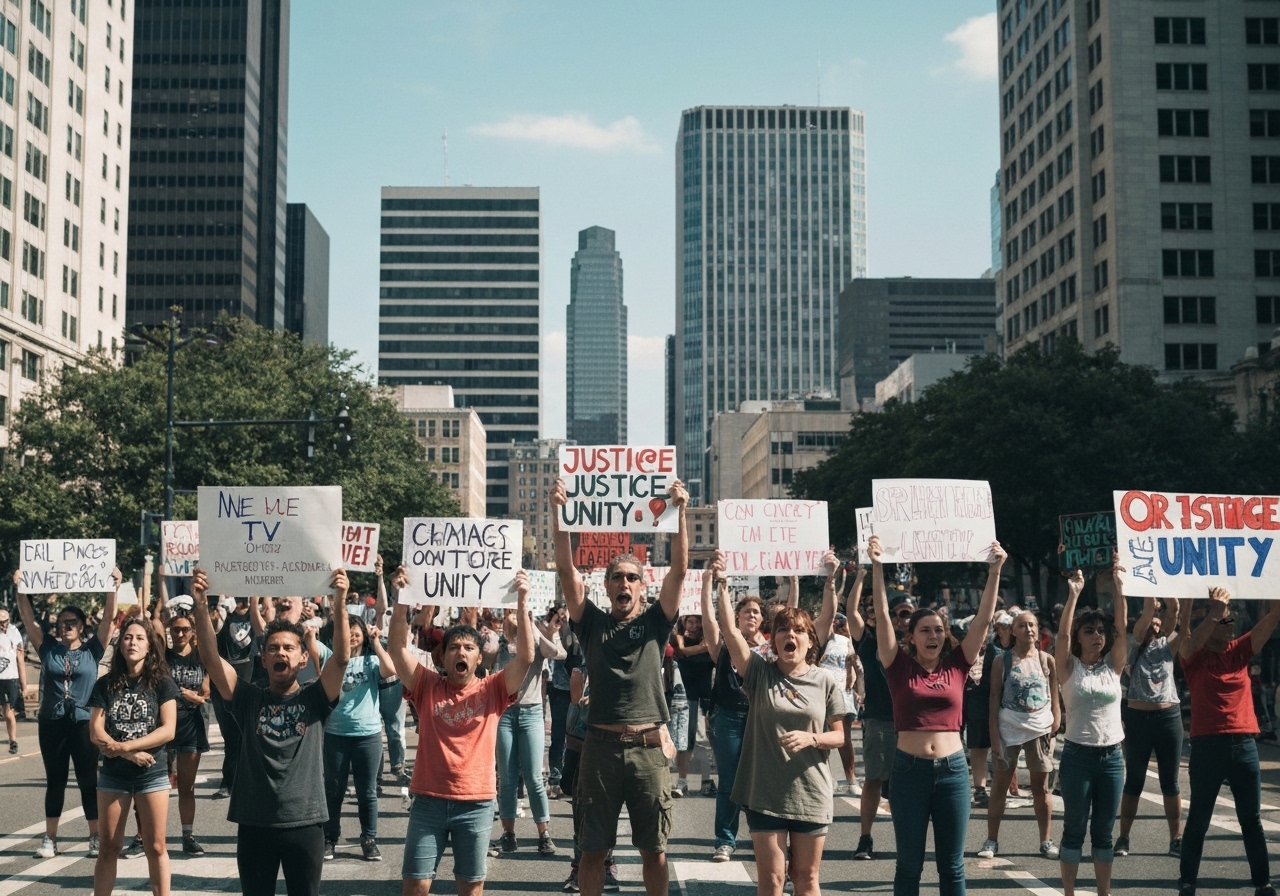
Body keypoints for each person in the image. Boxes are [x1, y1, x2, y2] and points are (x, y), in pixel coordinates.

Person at [552, 475, 689, 896]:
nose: (624, 584)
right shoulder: (591, 622)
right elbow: (565, 569)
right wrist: (559, 514)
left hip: (649, 752)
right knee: (592, 851)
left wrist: (680, 512)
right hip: (600, 750)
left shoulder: (655, 622)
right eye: (617, 578)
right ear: (606, 586)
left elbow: (680, 570)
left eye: (632, 577)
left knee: (655, 852)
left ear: (642, 585)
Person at [191, 569, 351, 896]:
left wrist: (340, 603)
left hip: (305, 824)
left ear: (304, 657)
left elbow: (342, 658)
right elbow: (210, 658)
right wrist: (199, 603)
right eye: (274, 648)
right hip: (255, 824)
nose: (281, 653)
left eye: (289, 648)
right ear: (263, 660)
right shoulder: (248, 698)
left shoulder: (315, 697)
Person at [870, 534, 1004, 896]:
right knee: (909, 866)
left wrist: (995, 571)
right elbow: (882, 615)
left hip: (953, 773)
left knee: (952, 866)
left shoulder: (958, 665)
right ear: (910, 637)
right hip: (908, 772)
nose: (933, 635)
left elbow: (983, 619)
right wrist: (878, 566)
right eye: (924, 630)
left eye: (939, 631)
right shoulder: (896, 665)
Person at [387, 567, 534, 896]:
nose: (461, 652)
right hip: (428, 801)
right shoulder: (427, 685)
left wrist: (522, 602)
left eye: (469, 648)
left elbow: (526, 656)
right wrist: (401, 600)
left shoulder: (493, 689)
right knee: (415, 885)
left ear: (479, 657)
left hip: (477, 803)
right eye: (454, 647)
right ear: (443, 657)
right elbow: (397, 649)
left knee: (470, 888)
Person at [716, 566, 844, 896]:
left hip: (811, 795)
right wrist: (720, 586)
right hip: (766, 793)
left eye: (798, 630)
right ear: (772, 640)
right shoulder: (759, 672)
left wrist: (812, 738)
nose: (790, 635)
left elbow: (840, 736)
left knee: (806, 878)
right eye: (783, 630)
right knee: (772, 881)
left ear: (810, 639)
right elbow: (730, 634)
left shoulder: (825, 680)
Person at [1176, 589, 1280, 896]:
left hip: (1244, 746)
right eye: (1225, 619)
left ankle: (1262, 883)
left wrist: (1274, 579)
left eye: (1231, 618)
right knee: (1198, 820)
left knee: (1252, 820)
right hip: (1207, 747)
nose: (1230, 622)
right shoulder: (1193, 655)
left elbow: (1273, 617)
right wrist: (1213, 613)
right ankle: (1187, 882)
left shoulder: (1240, 650)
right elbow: (1188, 642)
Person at [14, 567, 122, 859]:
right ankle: (50, 839)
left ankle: (95, 837)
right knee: (55, 780)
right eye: (61, 623)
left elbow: (110, 617)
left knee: (88, 780)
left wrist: (114, 586)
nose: (64, 627)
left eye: (71, 623)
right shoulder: (47, 647)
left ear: (82, 625)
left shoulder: (92, 649)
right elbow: (27, 618)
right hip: (51, 723)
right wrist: (20, 588)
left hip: (84, 724)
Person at [88, 616, 179, 896]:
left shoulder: (162, 682)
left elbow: (168, 730)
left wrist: (126, 747)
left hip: (152, 774)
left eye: (140, 638)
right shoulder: (105, 684)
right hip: (114, 776)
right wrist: (128, 755)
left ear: (150, 646)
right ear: (120, 645)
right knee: (109, 848)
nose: (133, 643)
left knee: (156, 846)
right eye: (128, 637)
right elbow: (95, 731)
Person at [1055, 564, 1127, 896]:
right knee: (1073, 830)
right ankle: (1068, 893)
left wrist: (1118, 586)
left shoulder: (1114, 665)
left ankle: (1103, 893)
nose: (1097, 634)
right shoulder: (1068, 666)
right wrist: (1073, 594)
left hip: (1112, 757)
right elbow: (1062, 636)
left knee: (1104, 833)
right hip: (1078, 757)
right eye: (1089, 630)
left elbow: (1123, 628)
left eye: (1100, 630)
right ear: (1079, 637)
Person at [700, 558, 768, 862]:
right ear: (736, 617)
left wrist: (793, 581)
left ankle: (763, 838)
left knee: (760, 780)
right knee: (729, 782)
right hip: (727, 719)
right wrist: (708, 584)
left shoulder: (771, 649)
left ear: (762, 619)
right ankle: (725, 841)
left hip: (762, 719)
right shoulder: (725, 646)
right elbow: (710, 621)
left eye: (756, 612)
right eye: (745, 611)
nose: (751, 615)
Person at [979, 609, 1060, 860]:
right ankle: (991, 840)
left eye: (1033, 625)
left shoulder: (1047, 659)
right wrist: (994, 735)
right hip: (1008, 730)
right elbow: (993, 699)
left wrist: (1056, 721)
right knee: (1000, 787)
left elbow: (1054, 694)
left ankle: (1046, 841)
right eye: (1023, 626)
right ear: (1013, 631)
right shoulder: (1001, 661)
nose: (1029, 630)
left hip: (1040, 730)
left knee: (1041, 788)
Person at [846, 572, 916, 861]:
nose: (903, 620)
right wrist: (862, 575)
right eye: (898, 614)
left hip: (912, 724)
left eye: (909, 614)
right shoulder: (871, 639)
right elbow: (851, 611)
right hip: (880, 720)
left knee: (909, 786)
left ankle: (908, 841)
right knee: (874, 779)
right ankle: (865, 838)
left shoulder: (919, 643)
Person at [322, 613, 397, 862]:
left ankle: (368, 839)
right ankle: (330, 838)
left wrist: (377, 642)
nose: (352, 633)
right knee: (334, 791)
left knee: (368, 793)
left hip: (368, 736)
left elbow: (390, 670)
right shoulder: (331, 660)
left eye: (356, 629)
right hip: (336, 735)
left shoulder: (372, 661)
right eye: (346, 629)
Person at [492, 603, 565, 856]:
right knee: (508, 778)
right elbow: (487, 654)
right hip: (505, 713)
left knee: (534, 777)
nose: (516, 619)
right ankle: (508, 833)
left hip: (532, 712)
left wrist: (533, 627)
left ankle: (544, 834)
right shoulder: (501, 645)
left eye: (521, 614)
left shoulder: (535, 641)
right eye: (513, 615)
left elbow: (556, 652)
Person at [1115, 596, 1183, 858]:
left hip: (1168, 718)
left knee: (1170, 781)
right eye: (1150, 624)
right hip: (1138, 718)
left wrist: (1168, 595)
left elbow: (1174, 611)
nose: (1155, 627)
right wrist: (1149, 600)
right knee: (1134, 780)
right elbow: (1143, 620)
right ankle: (1123, 838)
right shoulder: (1132, 647)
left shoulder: (1169, 645)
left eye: (1159, 623)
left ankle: (1176, 838)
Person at [157, 605, 211, 856]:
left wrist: (195, 697)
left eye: (184, 630)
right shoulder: (162, 657)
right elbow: (155, 627)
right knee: (154, 785)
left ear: (192, 632)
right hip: (162, 726)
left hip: (192, 725)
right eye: (175, 630)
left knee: (186, 786)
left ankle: (187, 835)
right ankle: (143, 835)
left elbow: (207, 694)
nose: (179, 634)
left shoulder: (202, 656)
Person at [966, 612, 1014, 809]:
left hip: (995, 703)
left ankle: (998, 787)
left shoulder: (997, 651)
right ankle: (979, 788)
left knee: (998, 746)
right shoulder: (963, 652)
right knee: (978, 747)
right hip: (971, 702)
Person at [211, 594, 255, 799]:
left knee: (248, 736)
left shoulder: (256, 617)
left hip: (248, 683)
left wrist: (256, 599)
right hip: (223, 685)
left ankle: (243, 782)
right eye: (239, 597)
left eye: (245, 597)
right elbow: (213, 629)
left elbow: (262, 620)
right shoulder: (224, 616)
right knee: (231, 737)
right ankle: (229, 782)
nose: (242, 601)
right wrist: (222, 606)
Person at [672, 613, 715, 797]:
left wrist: (704, 646)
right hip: (683, 699)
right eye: (690, 620)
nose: (694, 624)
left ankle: (706, 781)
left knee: (702, 743)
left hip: (704, 699)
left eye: (698, 620)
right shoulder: (678, 640)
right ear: (683, 622)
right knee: (684, 742)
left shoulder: (711, 642)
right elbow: (679, 650)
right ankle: (682, 781)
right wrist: (700, 648)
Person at [546, 603, 579, 799]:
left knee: (575, 736)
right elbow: (554, 651)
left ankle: (573, 776)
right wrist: (555, 626)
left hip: (579, 690)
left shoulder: (581, 630)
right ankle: (556, 777)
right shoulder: (553, 632)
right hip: (560, 689)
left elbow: (575, 650)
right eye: (559, 614)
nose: (563, 616)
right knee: (559, 734)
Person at [0, 607, 26, 754]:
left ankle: (13, 740)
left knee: (8, 712)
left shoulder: (13, 631)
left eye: (6, 621)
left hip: (10, 678)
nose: (4, 625)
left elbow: (20, 657)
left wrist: (24, 683)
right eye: (1, 622)